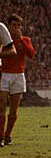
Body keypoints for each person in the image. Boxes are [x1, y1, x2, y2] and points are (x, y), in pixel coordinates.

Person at [0, 15, 34, 146]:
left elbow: (31, 54)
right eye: (14, 25)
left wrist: (21, 40)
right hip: (4, 74)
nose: (16, 28)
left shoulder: (25, 40)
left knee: (13, 110)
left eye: (18, 25)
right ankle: (1, 137)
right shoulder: (4, 40)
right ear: (9, 26)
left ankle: (8, 135)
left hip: (19, 76)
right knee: (2, 106)